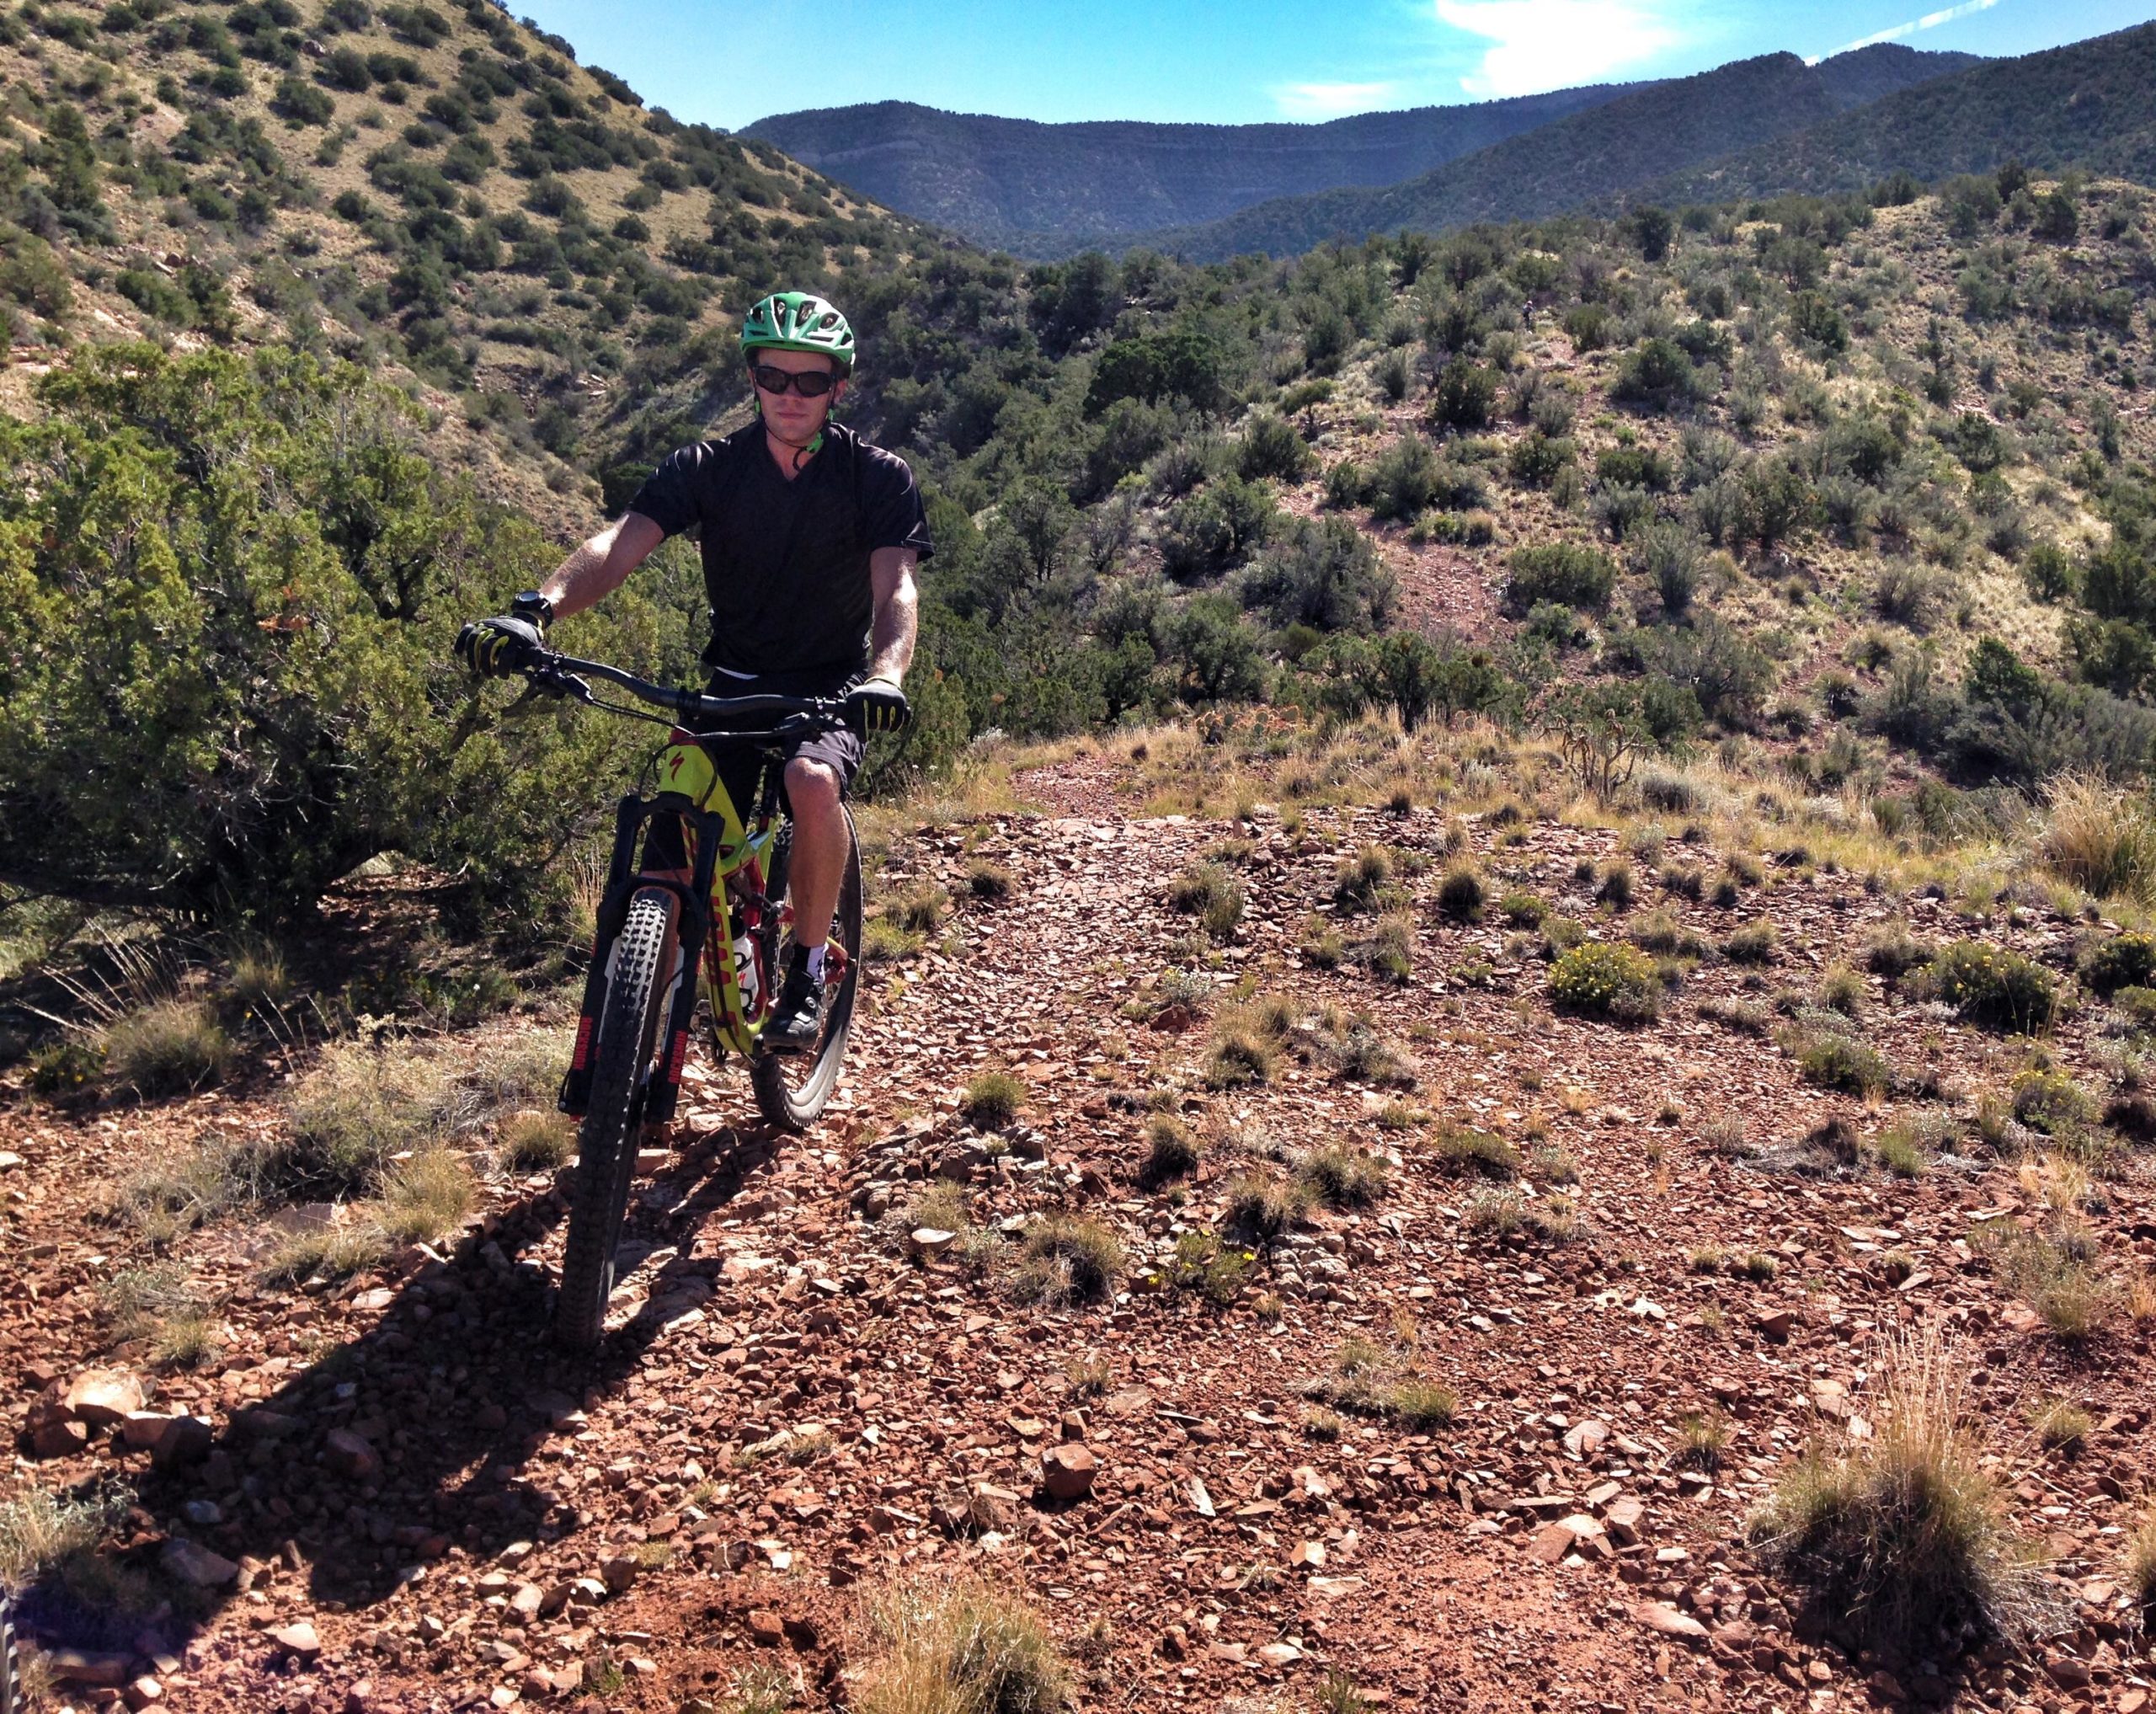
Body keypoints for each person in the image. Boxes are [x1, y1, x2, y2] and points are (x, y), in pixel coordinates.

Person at [456, 290, 931, 1050]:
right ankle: (636, 1035)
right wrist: (535, 610)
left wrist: (887, 674)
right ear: (753, 379)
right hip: (733, 683)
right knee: (675, 815)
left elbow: (895, 585)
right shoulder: (709, 469)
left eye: (811, 382)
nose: (790, 395)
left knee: (811, 783)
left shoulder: (875, 477)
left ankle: (807, 969)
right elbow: (621, 543)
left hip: (831, 687)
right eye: (774, 377)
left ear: (839, 388)